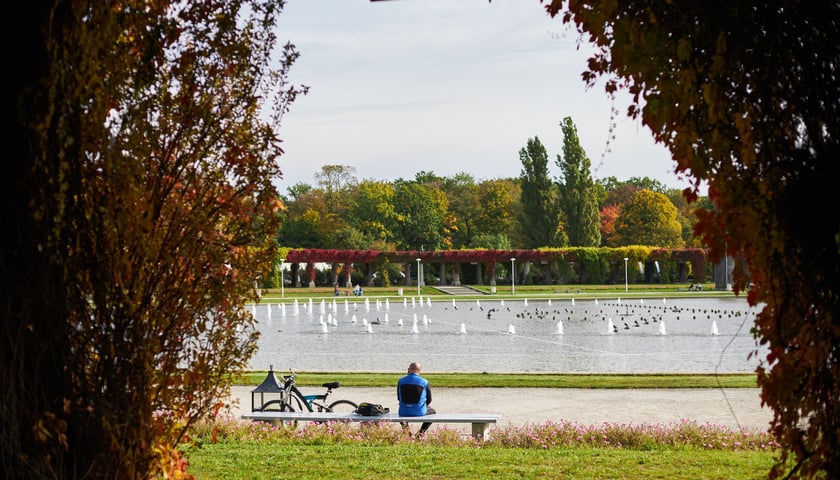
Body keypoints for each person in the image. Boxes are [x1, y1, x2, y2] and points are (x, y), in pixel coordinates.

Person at [397, 362, 436, 436]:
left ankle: (407, 433)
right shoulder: (425, 382)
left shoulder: (401, 381)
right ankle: (420, 434)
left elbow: (399, 398)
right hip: (419, 411)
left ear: (409, 370)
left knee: (401, 412)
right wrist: (425, 405)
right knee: (433, 412)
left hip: (403, 411)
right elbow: (429, 399)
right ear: (419, 371)